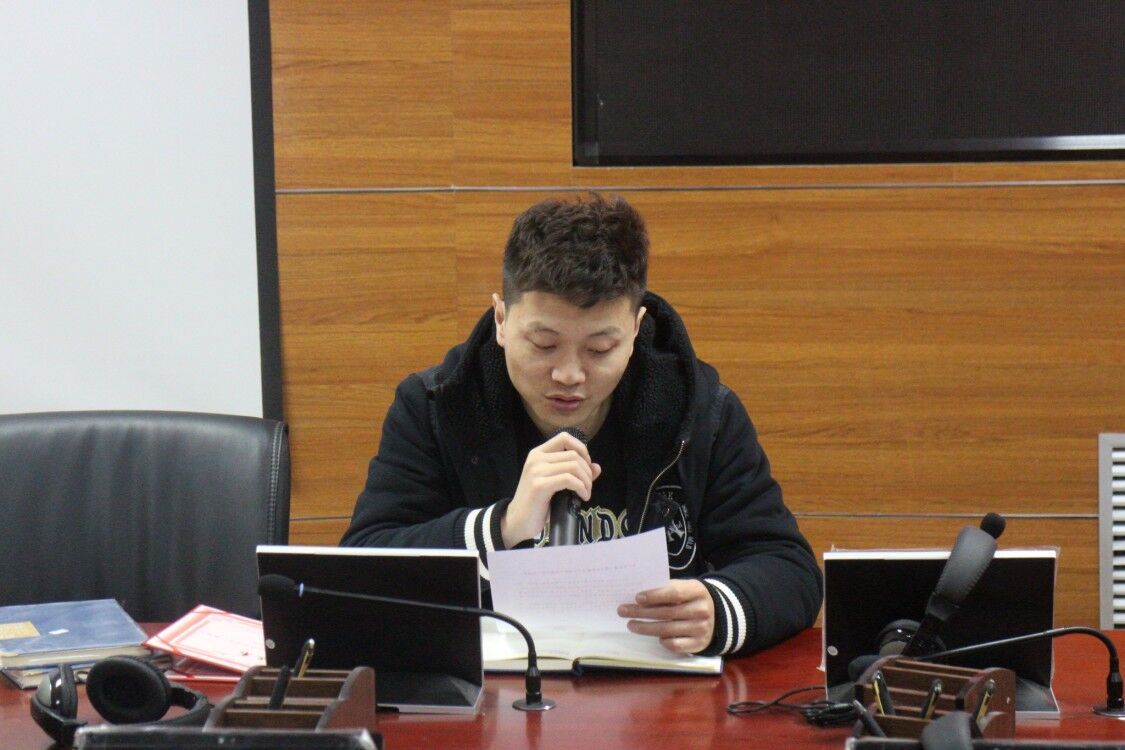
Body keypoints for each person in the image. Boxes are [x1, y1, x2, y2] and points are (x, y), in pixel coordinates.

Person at [341, 193, 822, 657]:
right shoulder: (435, 406)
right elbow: (361, 570)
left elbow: (790, 568)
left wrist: (719, 608)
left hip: (661, 696)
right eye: (544, 345)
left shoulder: (699, 411)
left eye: (599, 349)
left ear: (635, 329)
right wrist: (502, 526)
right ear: (502, 320)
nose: (569, 375)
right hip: (494, 692)